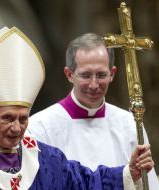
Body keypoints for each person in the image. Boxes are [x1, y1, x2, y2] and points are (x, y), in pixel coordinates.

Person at [0, 27, 153, 190]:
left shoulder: (46, 158)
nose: (17, 128)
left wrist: (128, 172)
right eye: (8, 118)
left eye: (23, 119)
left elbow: (86, 182)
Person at [28, 33, 159, 189]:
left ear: (112, 74)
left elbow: (149, 185)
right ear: (69, 74)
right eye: (86, 75)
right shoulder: (40, 127)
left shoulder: (130, 124)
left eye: (101, 75)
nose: (94, 84)